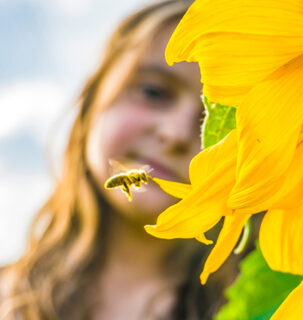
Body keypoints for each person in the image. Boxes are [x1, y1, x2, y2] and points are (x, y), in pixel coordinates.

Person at [0, 1, 247, 319]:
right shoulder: (9, 297)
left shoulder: (253, 308)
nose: (176, 134)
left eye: (218, 123)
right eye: (154, 92)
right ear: (92, 100)